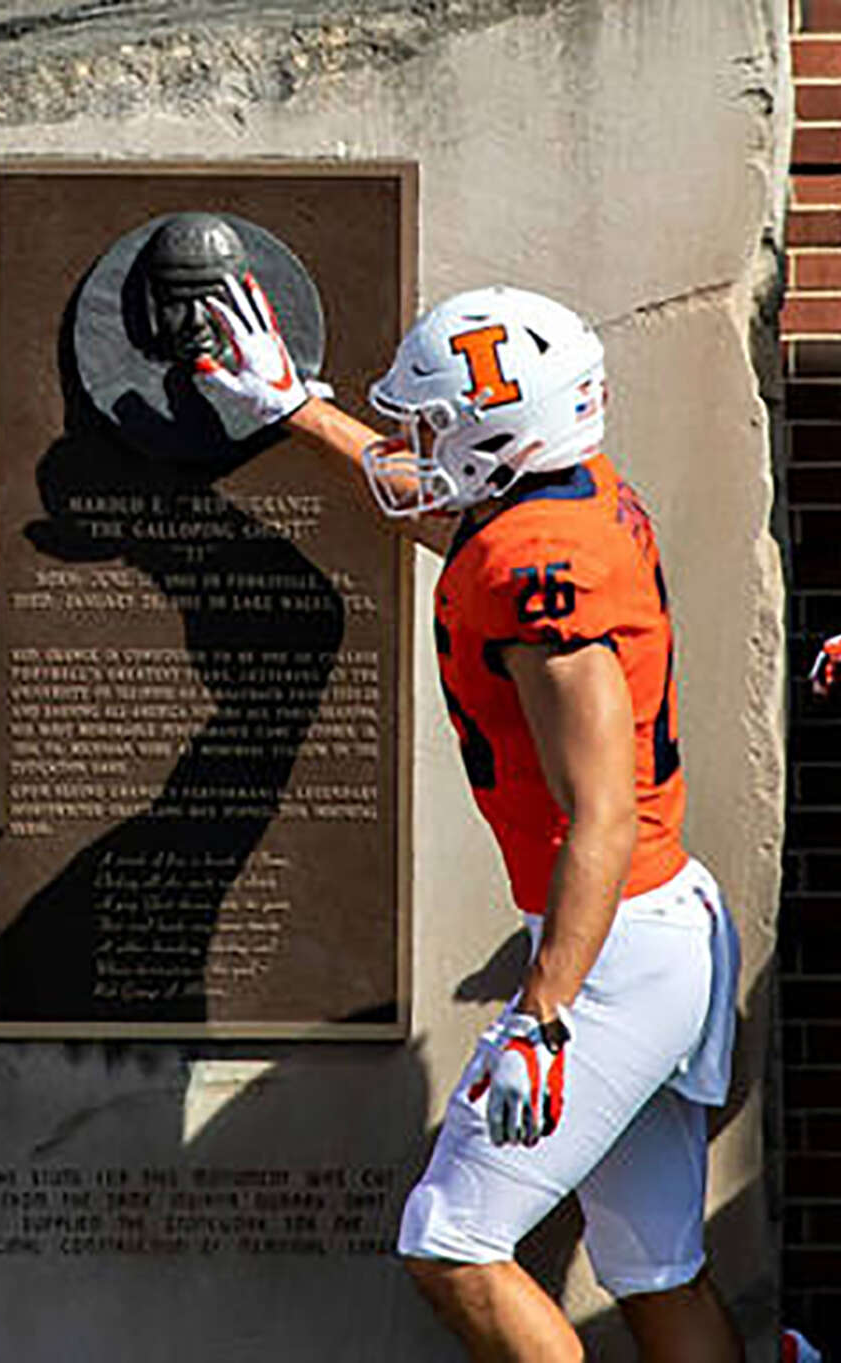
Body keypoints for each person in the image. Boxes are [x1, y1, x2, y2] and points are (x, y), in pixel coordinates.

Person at [194, 276, 744, 1361]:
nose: (420, 443)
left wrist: (544, 1013)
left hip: (612, 946)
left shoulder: (545, 573)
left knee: (452, 1242)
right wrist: (297, 407)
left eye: (441, 425)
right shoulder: (560, 499)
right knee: (653, 1262)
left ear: (508, 432)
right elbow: (451, 516)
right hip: (645, 928)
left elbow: (602, 815)